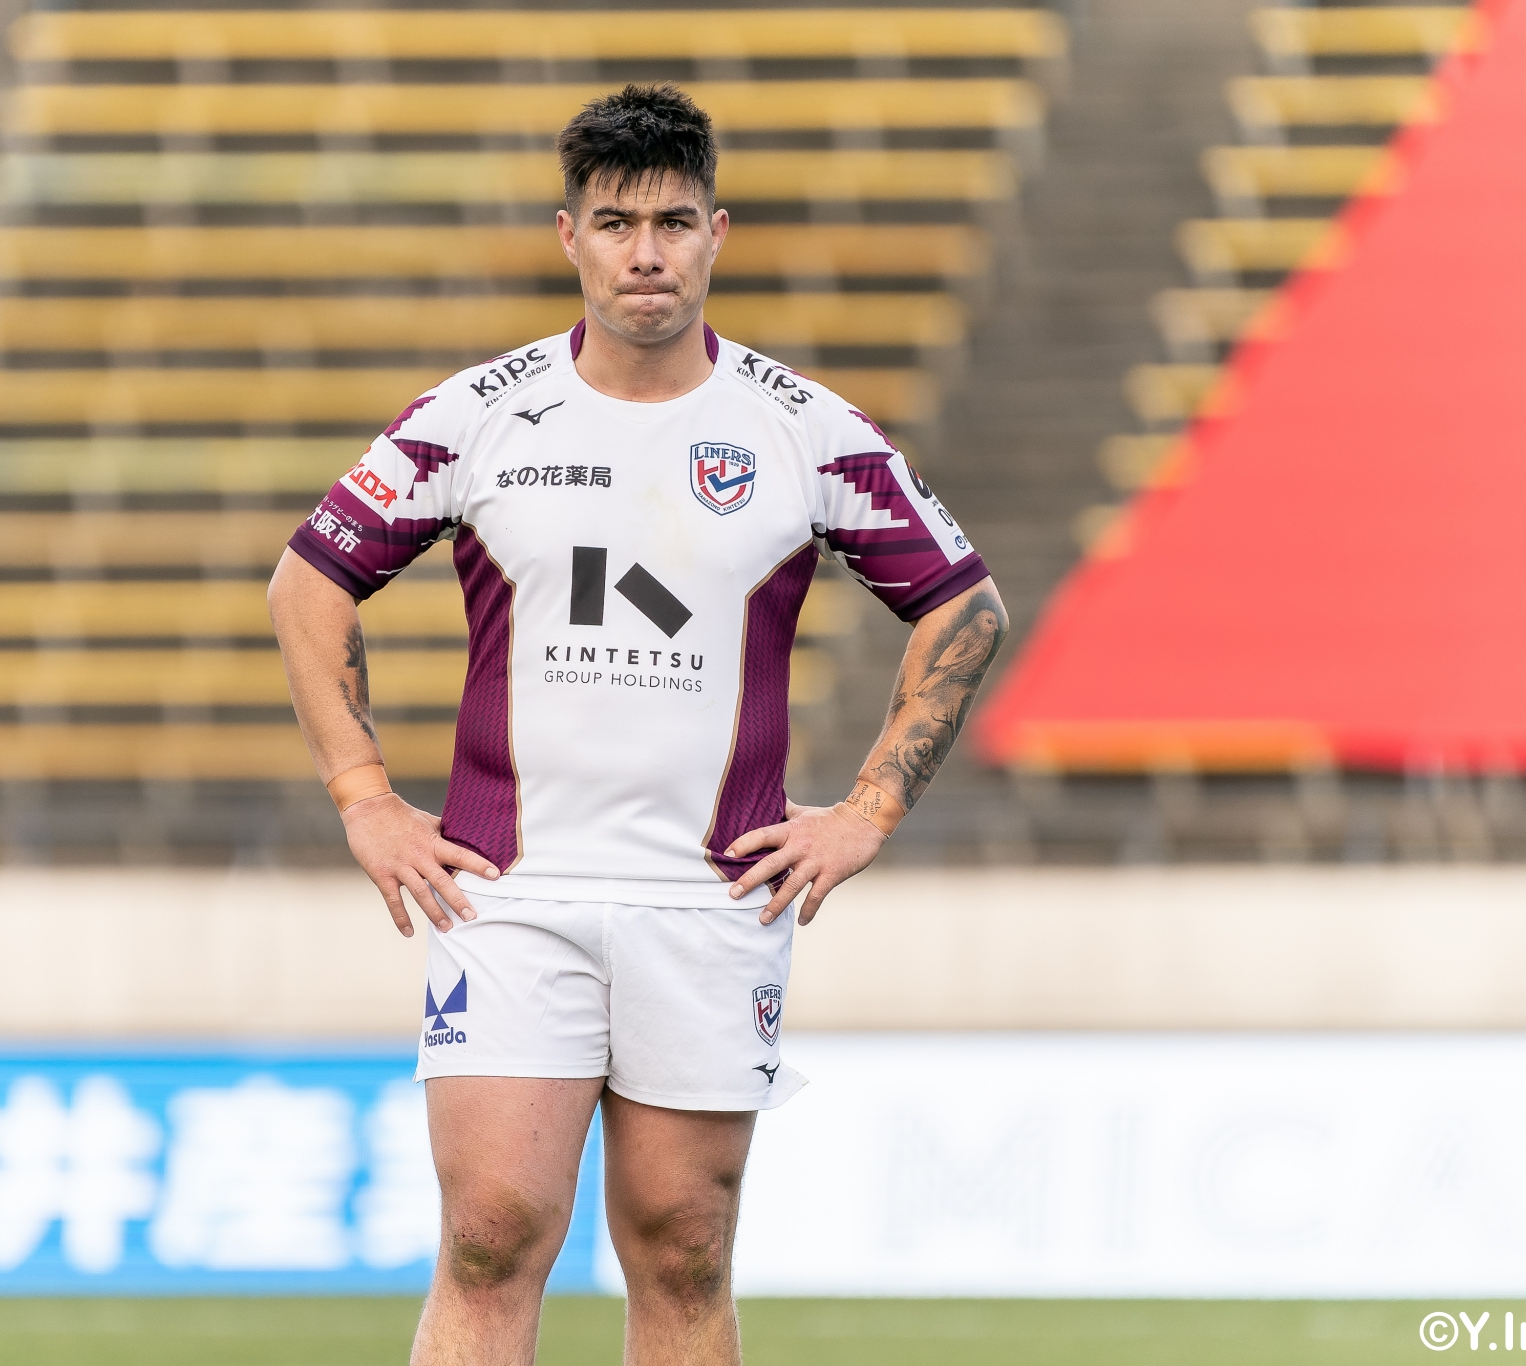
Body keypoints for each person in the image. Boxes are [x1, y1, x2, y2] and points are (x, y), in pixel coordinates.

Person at [269, 83, 1005, 1366]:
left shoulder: (804, 429)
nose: (645, 252)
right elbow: (307, 583)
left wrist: (869, 809)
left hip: (709, 900)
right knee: (490, 1235)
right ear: (570, 237)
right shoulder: (473, 413)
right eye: (616, 224)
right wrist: (363, 796)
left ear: (716, 232)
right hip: (510, 889)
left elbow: (964, 606)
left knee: (681, 1246)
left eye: (671, 222)